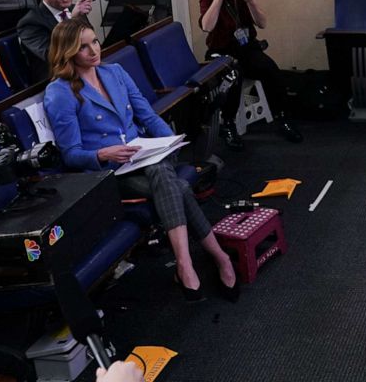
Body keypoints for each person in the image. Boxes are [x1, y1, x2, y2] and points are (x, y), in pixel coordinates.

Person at [43, 20, 239, 302]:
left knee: (163, 171)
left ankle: (187, 265)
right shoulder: (60, 92)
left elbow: (147, 116)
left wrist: (171, 143)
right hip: (108, 175)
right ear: (67, 52)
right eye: (82, 47)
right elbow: (70, 153)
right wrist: (102, 154)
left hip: (142, 158)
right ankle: (217, 257)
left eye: (95, 42)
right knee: (178, 187)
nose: (93, 51)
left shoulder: (114, 72)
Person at [198, 0, 301, 150]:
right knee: (234, 77)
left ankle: (284, 118)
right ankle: (228, 125)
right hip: (222, 52)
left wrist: (251, 0)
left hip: (246, 49)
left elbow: (262, 23)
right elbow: (207, 26)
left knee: (271, 69)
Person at [17, 0, 94, 80]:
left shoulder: (75, 10)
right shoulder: (30, 23)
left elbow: (92, 43)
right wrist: (72, 21)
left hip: (85, 70)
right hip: (58, 79)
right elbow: (55, 57)